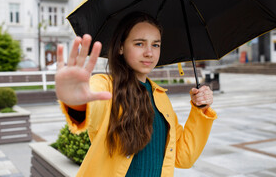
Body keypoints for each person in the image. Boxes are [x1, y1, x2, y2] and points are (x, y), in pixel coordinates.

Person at [55, 11, 217, 177]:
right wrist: (77, 99)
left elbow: (184, 157)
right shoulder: (106, 86)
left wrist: (200, 110)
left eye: (156, 45)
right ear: (120, 47)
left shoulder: (160, 97)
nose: (149, 52)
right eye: (139, 44)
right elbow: (90, 105)